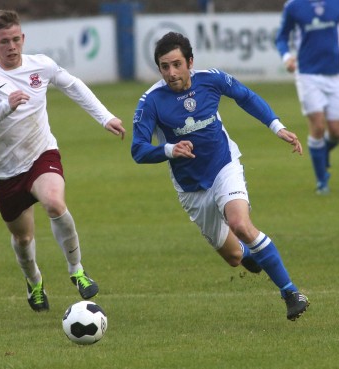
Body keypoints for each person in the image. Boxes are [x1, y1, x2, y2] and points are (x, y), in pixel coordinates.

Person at [131, 32, 309, 321]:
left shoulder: (211, 80)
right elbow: (137, 150)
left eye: (177, 64)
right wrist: (169, 149)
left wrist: (277, 127)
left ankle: (290, 292)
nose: (172, 73)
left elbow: (245, 96)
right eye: (165, 67)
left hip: (223, 166)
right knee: (234, 257)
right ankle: (251, 256)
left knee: (240, 223)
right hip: (191, 188)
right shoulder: (151, 101)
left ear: (190, 61)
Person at [0, 10, 125, 312]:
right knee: (24, 239)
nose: (11, 46)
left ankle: (77, 270)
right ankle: (34, 281)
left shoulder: (41, 65)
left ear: (22, 38)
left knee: (54, 202)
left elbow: (73, 86)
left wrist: (105, 117)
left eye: (15, 39)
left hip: (41, 155)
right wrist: (4, 110)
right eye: (3, 42)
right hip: (5, 172)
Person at [275, 0, 339, 194]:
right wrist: (286, 58)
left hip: (335, 74)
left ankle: (321, 154)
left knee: (336, 132)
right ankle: (322, 181)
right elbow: (281, 38)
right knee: (318, 126)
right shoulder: (294, 6)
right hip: (307, 75)